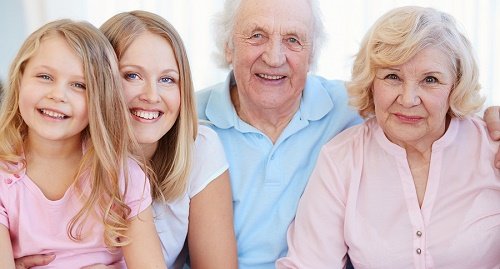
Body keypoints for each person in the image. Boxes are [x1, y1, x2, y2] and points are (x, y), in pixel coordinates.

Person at [196, 0, 500, 268]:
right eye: (256, 35)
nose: (274, 57)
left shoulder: (348, 107)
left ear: (312, 53)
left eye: (293, 39)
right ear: (229, 46)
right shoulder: (187, 122)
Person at [14, 11, 238, 269]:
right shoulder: (53, 154)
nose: (151, 95)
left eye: (167, 79)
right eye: (132, 75)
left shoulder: (199, 149)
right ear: (98, 80)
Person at [0, 19, 166, 268]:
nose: (57, 95)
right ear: (20, 78)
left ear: (100, 99)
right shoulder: (4, 178)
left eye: (79, 85)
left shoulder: (123, 175)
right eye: (45, 76)